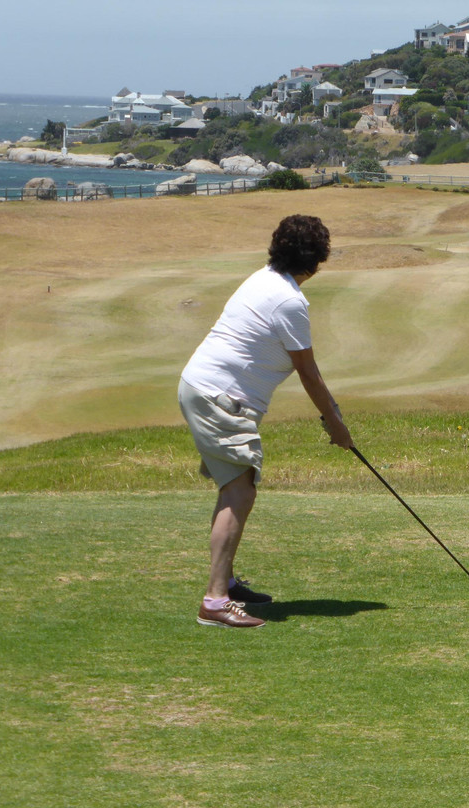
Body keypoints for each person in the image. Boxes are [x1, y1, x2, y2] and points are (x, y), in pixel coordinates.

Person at [178, 214, 353, 628]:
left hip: (201, 386)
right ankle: (216, 601)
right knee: (240, 489)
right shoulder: (290, 301)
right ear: (316, 260)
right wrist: (335, 422)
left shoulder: (261, 278)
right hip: (221, 398)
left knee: (234, 486)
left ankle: (227, 583)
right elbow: (307, 370)